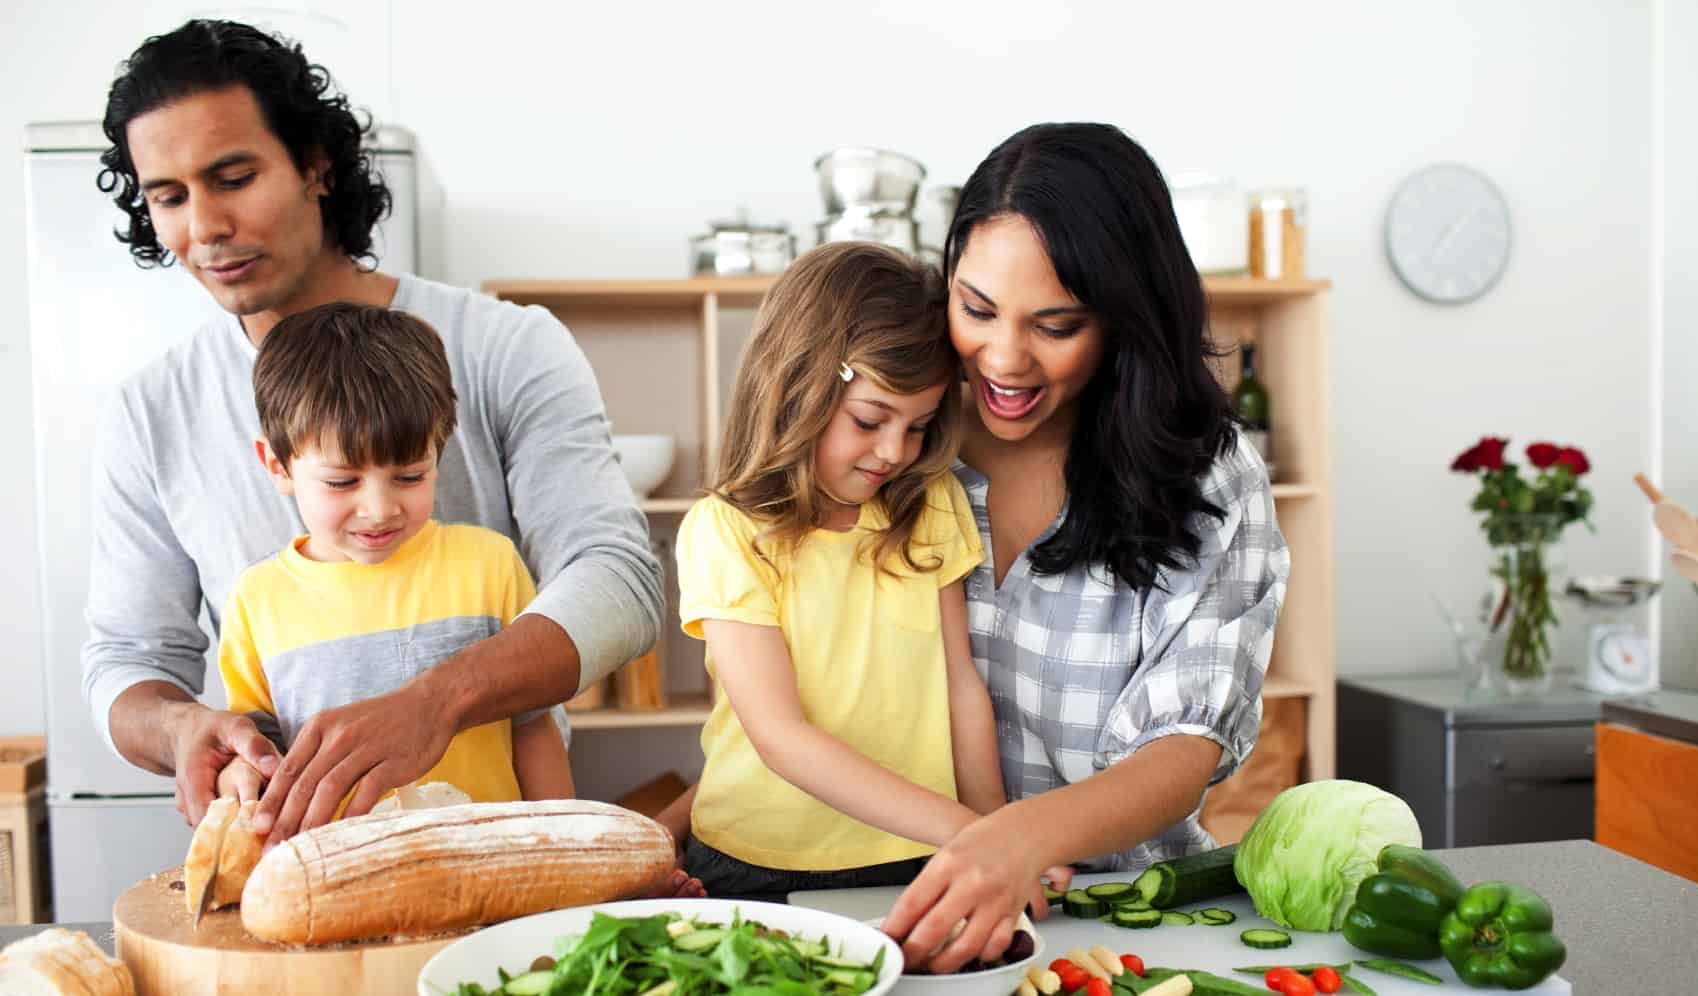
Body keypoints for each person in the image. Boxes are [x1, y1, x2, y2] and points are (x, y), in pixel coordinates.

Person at [85, 19, 662, 842]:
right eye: (169, 197)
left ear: (317, 163)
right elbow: (126, 659)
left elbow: (618, 582)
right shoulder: (149, 413)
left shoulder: (506, 345)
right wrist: (180, 728)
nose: (204, 226)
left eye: (234, 176)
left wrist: (435, 702)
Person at [880, 123, 1291, 971]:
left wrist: (1017, 840)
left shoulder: (1209, 478)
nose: (1004, 358)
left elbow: (1182, 748)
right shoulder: (897, 443)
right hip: (895, 912)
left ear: (1125, 316)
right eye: (976, 309)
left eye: (1055, 325)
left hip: (1130, 927)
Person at [673, 242, 1019, 895]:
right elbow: (781, 738)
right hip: (755, 862)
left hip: (918, 854)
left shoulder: (929, 503)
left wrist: (996, 835)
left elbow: (960, 688)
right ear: (797, 386)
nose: (894, 451)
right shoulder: (726, 532)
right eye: (870, 419)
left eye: (917, 427)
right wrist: (967, 832)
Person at [213, 302, 572, 810]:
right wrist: (238, 775)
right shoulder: (257, 599)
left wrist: (562, 850)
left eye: (409, 477)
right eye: (342, 481)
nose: (379, 510)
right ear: (278, 465)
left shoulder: (490, 565)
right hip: (337, 877)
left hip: (492, 868)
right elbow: (258, 756)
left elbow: (533, 729)